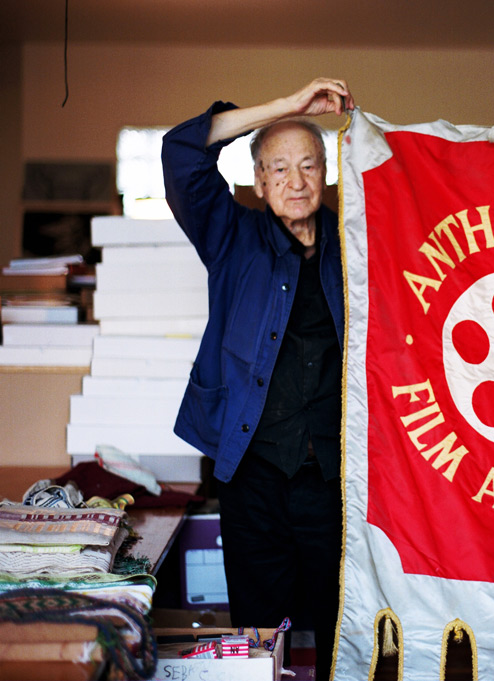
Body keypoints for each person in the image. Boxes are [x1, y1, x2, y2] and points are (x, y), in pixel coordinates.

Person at [161, 77, 355, 681]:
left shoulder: (357, 244)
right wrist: (287, 107)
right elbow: (181, 151)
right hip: (252, 472)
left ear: (326, 172)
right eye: (278, 169)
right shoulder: (231, 236)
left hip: (338, 480)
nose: (295, 183)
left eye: (307, 166)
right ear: (258, 180)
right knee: (258, 635)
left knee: (345, 629)